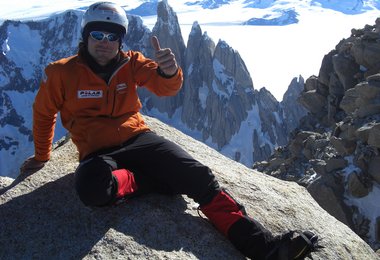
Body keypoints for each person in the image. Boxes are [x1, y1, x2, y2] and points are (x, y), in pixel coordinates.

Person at [20, 2, 320, 259]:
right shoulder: (61, 72)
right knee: (93, 189)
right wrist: (42, 156)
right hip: (99, 152)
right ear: (85, 36)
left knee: (199, 177)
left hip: (140, 139)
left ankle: (265, 249)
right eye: (97, 34)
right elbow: (44, 113)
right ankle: (152, 181)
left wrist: (168, 70)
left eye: (112, 36)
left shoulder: (131, 63)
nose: (104, 42)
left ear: (120, 41)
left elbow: (167, 88)